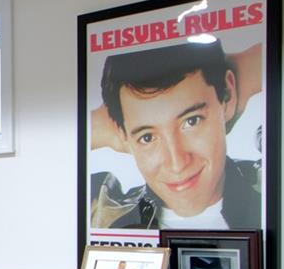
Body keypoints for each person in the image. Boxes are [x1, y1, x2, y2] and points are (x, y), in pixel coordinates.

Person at [88, 38, 261, 230]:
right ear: (123, 135)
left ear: (228, 95)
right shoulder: (103, 214)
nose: (177, 164)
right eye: (147, 137)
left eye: (191, 121)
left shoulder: (274, 191)